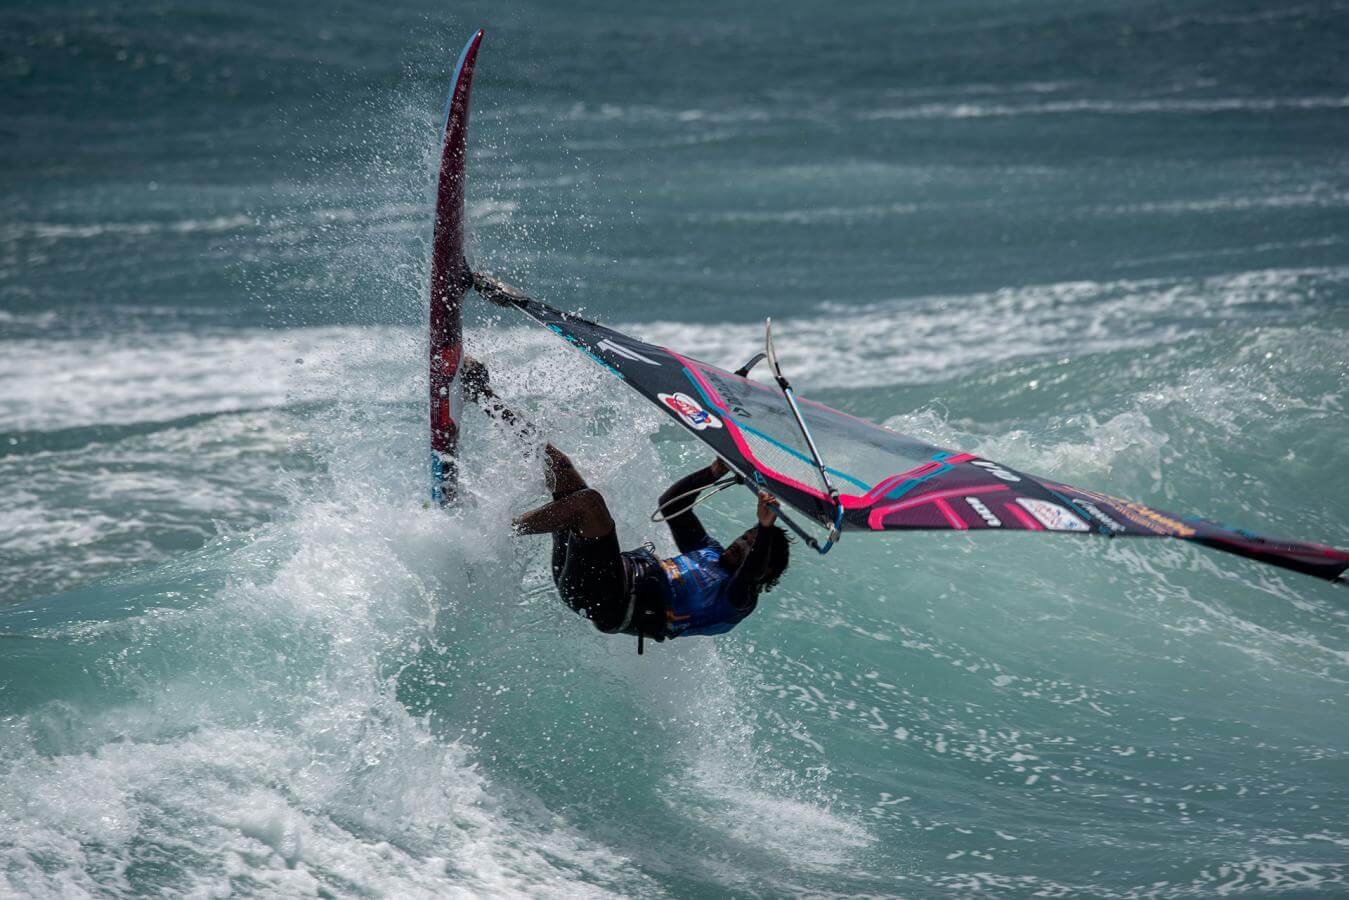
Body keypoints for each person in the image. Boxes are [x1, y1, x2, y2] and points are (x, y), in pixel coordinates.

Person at [461, 357, 791, 651]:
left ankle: (488, 531)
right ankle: (483, 395)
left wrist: (765, 529)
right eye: (746, 537)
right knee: (560, 468)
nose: (740, 544)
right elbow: (671, 505)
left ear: (766, 570)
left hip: (610, 600)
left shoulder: (738, 601)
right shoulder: (709, 552)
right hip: (589, 574)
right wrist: (712, 472)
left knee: (590, 504)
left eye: (750, 545)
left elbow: (748, 574)